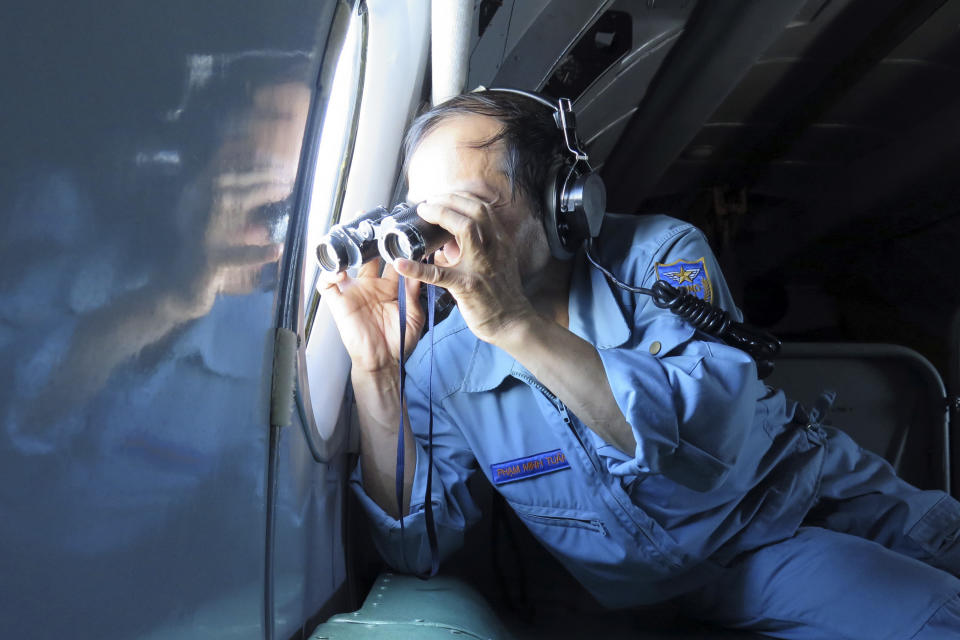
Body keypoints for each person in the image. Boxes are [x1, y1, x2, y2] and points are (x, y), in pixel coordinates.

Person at [322, 90, 960, 639]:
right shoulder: (443, 361)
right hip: (705, 576)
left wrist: (513, 323)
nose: (443, 235)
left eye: (467, 207)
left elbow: (701, 447)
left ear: (561, 204)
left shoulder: (658, 257)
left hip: (802, 506)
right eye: (424, 212)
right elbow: (418, 546)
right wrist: (376, 375)